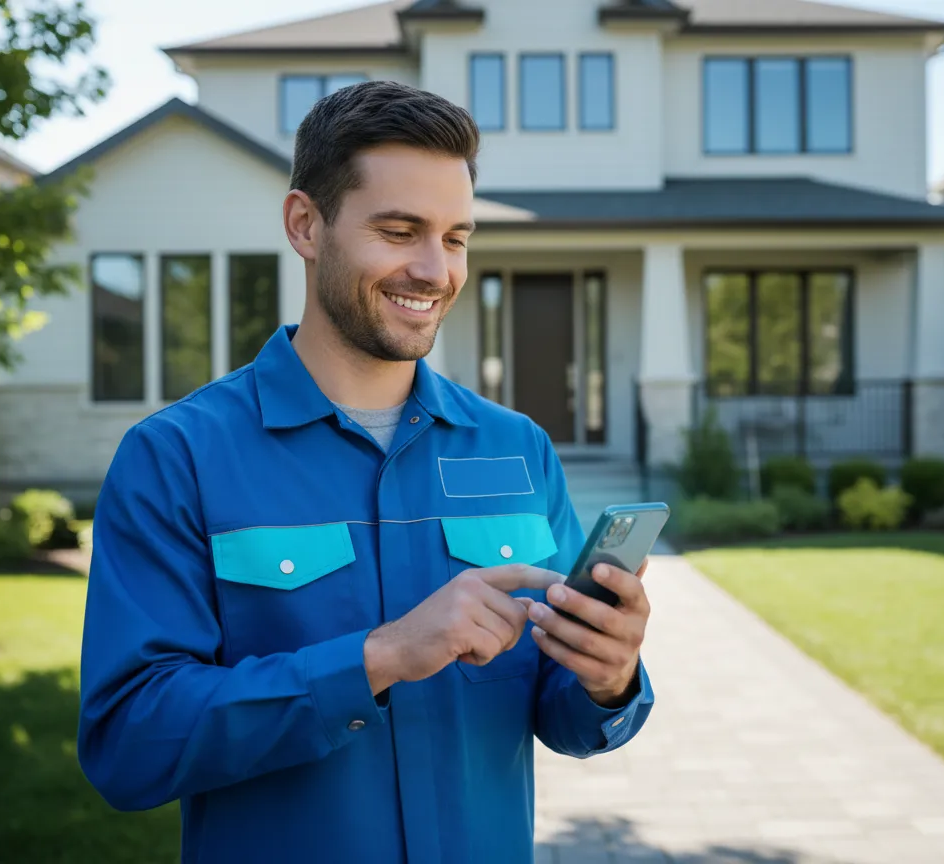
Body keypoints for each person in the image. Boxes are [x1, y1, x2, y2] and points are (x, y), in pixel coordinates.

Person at [77, 80, 655, 863]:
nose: (434, 269)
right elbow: (128, 745)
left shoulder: (517, 448)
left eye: (455, 237)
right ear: (305, 225)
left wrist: (609, 677)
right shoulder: (177, 457)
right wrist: (376, 659)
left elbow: (561, 711)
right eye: (399, 230)